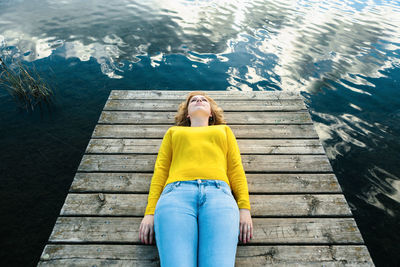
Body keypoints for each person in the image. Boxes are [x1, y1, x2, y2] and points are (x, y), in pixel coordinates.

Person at [139, 91, 253, 267]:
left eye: (204, 100)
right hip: (175, 196)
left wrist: (244, 208)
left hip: (219, 196)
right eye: (193, 100)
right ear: (187, 113)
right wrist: (150, 212)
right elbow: (160, 171)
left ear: (211, 113)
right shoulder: (173, 132)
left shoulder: (223, 130)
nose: (199, 100)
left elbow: (236, 169)